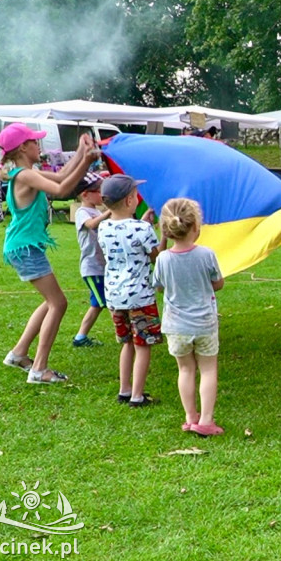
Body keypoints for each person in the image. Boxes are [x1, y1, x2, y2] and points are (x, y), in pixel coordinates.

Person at [0, 124, 99, 383]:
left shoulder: (27, 172)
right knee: (58, 303)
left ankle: (19, 354)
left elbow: (63, 174)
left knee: (50, 301)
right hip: (25, 248)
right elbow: (63, 190)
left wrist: (80, 154)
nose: (38, 145)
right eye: (35, 141)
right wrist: (86, 161)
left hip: (24, 246)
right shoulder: (24, 176)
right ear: (22, 147)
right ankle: (39, 370)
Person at [153, 198, 225, 436]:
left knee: (185, 370)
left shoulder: (162, 258)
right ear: (196, 226)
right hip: (204, 323)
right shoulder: (206, 254)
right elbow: (218, 283)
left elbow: (159, 286)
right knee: (207, 369)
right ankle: (205, 420)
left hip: (176, 326)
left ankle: (190, 417)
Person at [97, 175, 165, 407]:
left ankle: (124, 390)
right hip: (140, 297)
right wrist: (162, 235)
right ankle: (137, 395)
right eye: (135, 195)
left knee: (126, 343)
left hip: (114, 297)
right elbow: (157, 257)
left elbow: (123, 238)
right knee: (142, 344)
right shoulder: (142, 229)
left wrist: (142, 223)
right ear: (129, 201)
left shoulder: (103, 227)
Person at [72, 172, 112, 347]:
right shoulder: (83, 212)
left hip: (102, 267)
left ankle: (80, 337)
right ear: (85, 194)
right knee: (108, 302)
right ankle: (125, 333)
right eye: (98, 191)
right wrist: (110, 211)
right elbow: (91, 225)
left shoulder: (96, 210)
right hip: (92, 268)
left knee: (97, 304)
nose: (101, 194)